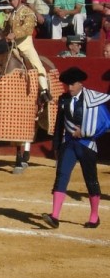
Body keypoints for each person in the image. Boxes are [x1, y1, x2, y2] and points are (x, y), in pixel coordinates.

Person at [41, 67, 110, 230]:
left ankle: (94, 216)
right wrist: (56, 146)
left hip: (87, 145)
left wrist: (86, 132)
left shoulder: (92, 98)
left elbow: (105, 122)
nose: (69, 88)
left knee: (90, 179)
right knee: (61, 177)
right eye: (67, 85)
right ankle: (55, 216)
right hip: (69, 144)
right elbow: (59, 125)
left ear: (80, 84)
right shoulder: (64, 99)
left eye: (72, 85)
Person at [3, 0, 51, 100]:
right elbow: (6, 29)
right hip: (12, 46)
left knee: (38, 66)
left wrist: (14, 34)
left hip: (25, 45)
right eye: (10, 0)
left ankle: (44, 91)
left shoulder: (28, 11)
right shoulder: (10, 14)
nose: (12, 2)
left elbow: (28, 28)